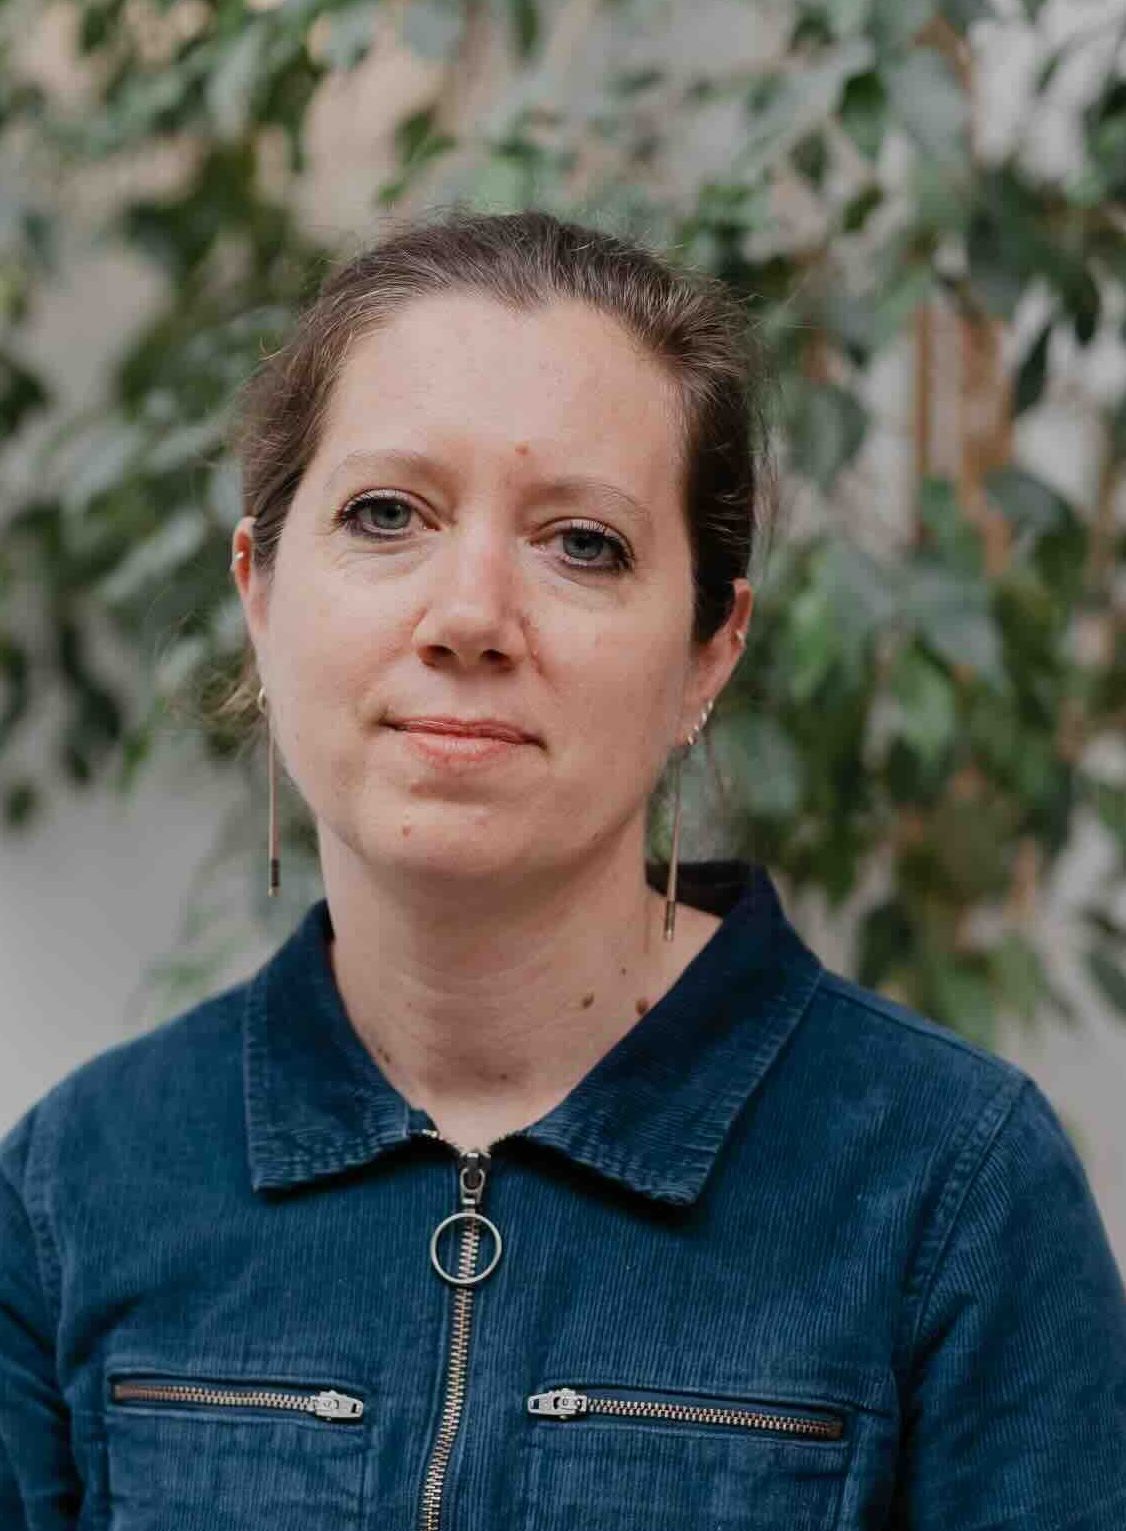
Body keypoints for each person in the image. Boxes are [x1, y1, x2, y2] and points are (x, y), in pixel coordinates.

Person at [1, 208, 1124, 1531]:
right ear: (259, 591)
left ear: (709, 651)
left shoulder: (946, 1186)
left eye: (583, 541)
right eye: (385, 514)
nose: (470, 616)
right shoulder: (76, 1186)